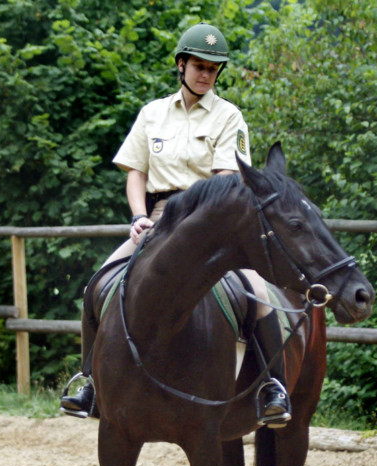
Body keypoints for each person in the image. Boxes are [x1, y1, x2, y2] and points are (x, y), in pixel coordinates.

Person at [59, 22, 291, 428]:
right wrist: (138, 217)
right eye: (199, 66)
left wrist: (196, 225)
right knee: (96, 283)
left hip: (210, 225)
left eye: (213, 69)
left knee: (255, 289)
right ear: (181, 65)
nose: (206, 74)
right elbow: (135, 173)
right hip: (156, 220)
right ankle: (88, 380)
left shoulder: (229, 116)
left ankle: (273, 385)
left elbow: (224, 180)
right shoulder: (152, 114)